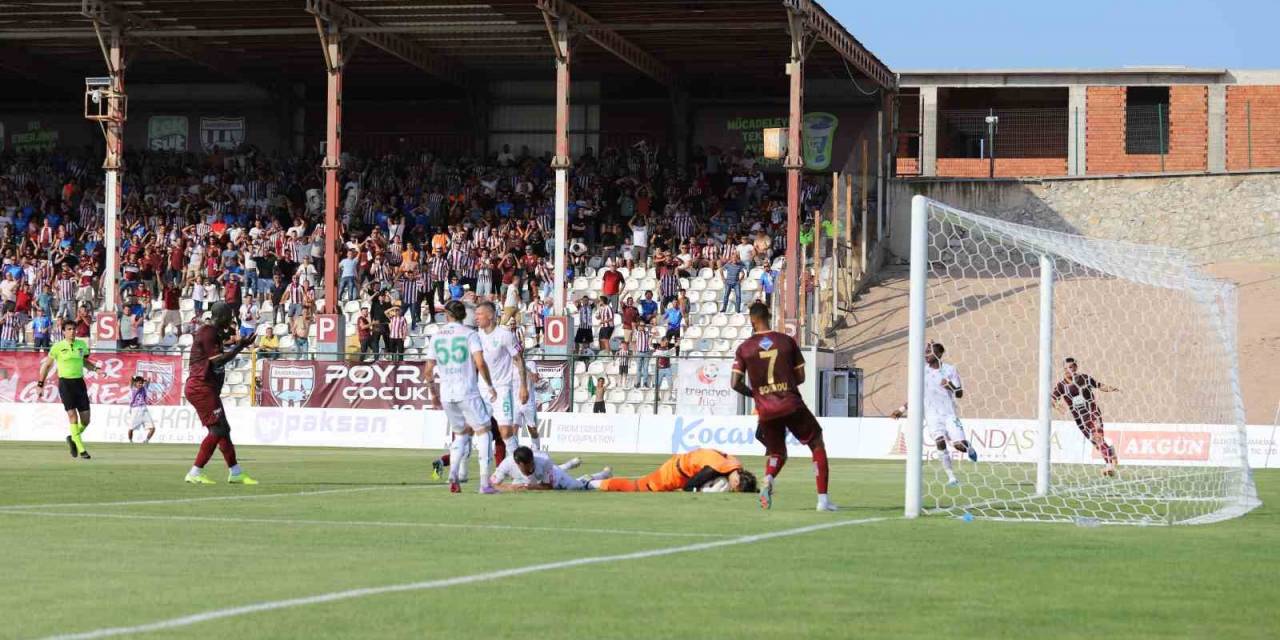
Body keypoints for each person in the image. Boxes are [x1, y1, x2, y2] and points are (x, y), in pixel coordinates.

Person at [730, 302, 836, 511]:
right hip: (790, 403)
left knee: (777, 452)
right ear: (769, 316)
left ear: (752, 321)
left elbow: (735, 383)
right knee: (816, 443)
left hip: (766, 410)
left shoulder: (744, 348)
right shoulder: (787, 341)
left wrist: (758, 394)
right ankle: (822, 500)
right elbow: (801, 376)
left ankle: (769, 477)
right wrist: (783, 386)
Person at [424, 300, 499, 494]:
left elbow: (428, 370)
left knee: (460, 434)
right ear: (463, 315)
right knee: (484, 431)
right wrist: (490, 385)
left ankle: (454, 474)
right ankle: (484, 483)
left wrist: (433, 393)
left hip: (447, 393)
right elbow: (480, 363)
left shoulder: (436, 336)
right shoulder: (470, 334)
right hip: (467, 390)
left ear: (447, 315)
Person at [184, 302, 258, 485]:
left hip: (206, 387)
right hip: (201, 387)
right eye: (229, 316)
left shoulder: (213, 332)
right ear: (222, 316)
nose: (231, 319)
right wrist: (240, 346)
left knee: (223, 430)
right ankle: (195, 472)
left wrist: (237, 341)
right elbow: (217, 362)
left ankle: (236, 472)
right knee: (218, 430)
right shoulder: (207, 332)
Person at [890, 342, 978, 487]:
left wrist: (949, 385)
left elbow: (960, 393)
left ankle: (969, 448)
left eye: (929, 352)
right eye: (925, 352)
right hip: (932, 416)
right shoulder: (922, 372)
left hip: (949, 414)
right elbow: (916, 395)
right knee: (940, 442)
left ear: (938, 354)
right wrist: (901, 409)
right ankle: (951, 478)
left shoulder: (950, 370)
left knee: (959, 446)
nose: (926, 355)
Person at [36, 320, 99, 460]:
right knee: (72, 416)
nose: (72, 331)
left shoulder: (82, 345)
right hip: (65, 384)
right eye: (69, 329)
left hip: (79, 383)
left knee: (86, 420)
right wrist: (40, 384)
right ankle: (82, 450)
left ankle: (72, 437)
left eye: (74, 329)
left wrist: (95, 369)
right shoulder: (57, 347)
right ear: (63, 331)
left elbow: (84, 361)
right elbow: (46, 366)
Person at [475, 301, 527, 465]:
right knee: (480, 431)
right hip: (481, 389)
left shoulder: (505, 335)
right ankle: (484, 472)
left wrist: (523, 386)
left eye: (479, 314)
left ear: (490, 315)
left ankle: (521, 467)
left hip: (502, 389)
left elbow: (519, 359)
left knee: (505, 432)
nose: (476, 318)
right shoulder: (476, 336)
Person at [1051, 357, 1120, 477]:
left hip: (1093, 413)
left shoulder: (1084, 378)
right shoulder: (1061, 386)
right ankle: (1110, 451)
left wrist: (1112, 388)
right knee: (1096, 442)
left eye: (1071, 367)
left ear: (1076, 367)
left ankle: (1109, 466)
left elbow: (1099, 385)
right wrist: (1056, 406)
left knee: (1098, 438)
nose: (1068, 370)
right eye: (1066, 368)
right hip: (1080, 419)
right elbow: (1053, 398)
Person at [592, 448, 757, 493]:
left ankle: (599, 478)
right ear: (736, 481)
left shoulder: (737, 465)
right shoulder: (717, 468)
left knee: (639, 484)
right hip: (674, 473)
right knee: (636, 487)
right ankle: (592, 484)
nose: (731, 489)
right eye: (734, 489)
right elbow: (688, 487)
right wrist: (704, 491)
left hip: (682, 464)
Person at [489, 446, 608, 491]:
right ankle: (570, 464)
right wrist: (509, 487)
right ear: (518, 463)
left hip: (555, 478)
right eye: (526, 466)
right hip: (526, 483)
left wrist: (530, 487)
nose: (530, 468)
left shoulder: (544, 460)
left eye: (532, 464)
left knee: (579, 486)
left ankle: (603, 474)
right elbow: (491, 485)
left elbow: (548, 486)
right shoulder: (506, 464)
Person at [126, 375, 156, 444]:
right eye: (139, 383)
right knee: (131, 428)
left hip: (144, 409)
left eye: (141, 383)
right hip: (135, 409)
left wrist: (144, 380)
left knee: (153, 428)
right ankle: (130, 441)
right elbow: (131, 379)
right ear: (135, 383)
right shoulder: (132, 388)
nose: (140, 384)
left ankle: (146, 441)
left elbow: (148, 379)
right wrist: (135, 377)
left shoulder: (144, 388)